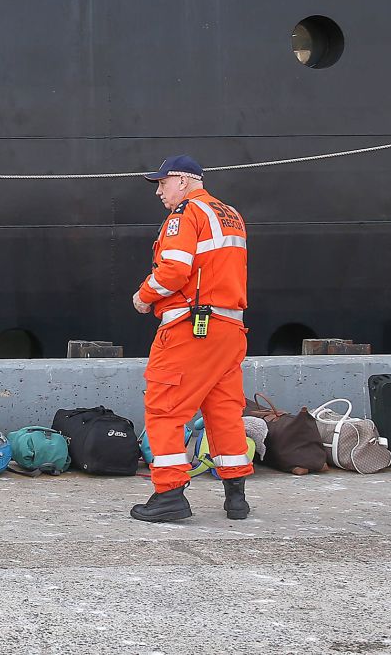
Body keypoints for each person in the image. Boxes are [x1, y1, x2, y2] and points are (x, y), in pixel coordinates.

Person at [128, 155, 252, 523]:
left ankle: (169, 493)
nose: (159, 192)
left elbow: (174, 270)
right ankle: (236, 498)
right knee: (224, 411)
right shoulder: (230, 214)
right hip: (230, 329)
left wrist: (143, 296)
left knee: (164, 408)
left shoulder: (186, 214)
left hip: (192, 328)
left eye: (162, 183)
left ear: (182, 180)